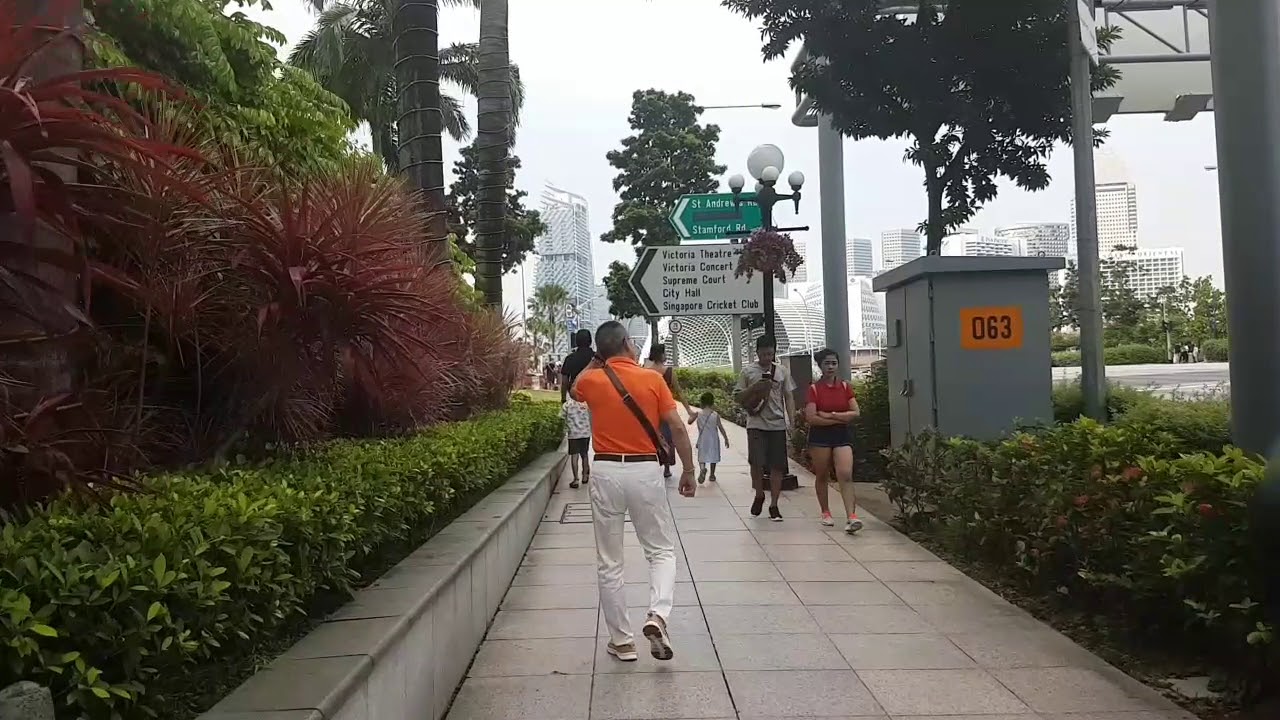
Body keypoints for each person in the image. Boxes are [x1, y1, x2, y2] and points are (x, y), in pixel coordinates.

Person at [571, 321, 696, 663]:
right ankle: (657, 614)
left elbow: (573, 389)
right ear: (627, 343)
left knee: (610, 561)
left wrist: (597, 360)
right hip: (645, 471)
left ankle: (622, 642)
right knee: (660, 551)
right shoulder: (653, 379)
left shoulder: (593, 381)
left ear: (600, 351)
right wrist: (688, 470)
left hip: (606, 470)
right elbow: (677, 428)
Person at [736, 334, 796, 521]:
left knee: (777, 466)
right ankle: (759, 494)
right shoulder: (748, 372)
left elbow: (788, 396)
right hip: (756, 424)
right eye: (763, 354)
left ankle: (774, 504)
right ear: (757, 353)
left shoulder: (782, 371)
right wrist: (755, 388)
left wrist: (791, 420)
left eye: (770, 354)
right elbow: (738, 396)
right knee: (756, 463)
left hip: (777, 424)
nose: (767, 358)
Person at [805, 348, 864, 534]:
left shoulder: (845, 387)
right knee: (822, 474)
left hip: (841, 435)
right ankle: (825, 511)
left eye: (834, 363)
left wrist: (830, 415)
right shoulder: (814, 389)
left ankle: (851, 516)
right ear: (820, 366)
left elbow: (855, 413)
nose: (830, 367)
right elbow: (812, 418)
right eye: (827, 363)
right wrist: (840, 417)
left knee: (845, 473)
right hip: (820, 436)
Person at [642, 344, 692, 480]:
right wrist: (689, 410)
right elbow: (679, 392)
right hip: (666, 410)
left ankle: (653, 464)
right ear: (661, 355)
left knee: (652, 437)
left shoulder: (645, 371)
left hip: (650, 410)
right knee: (668, 439)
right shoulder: (669, 372)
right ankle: (667, 467)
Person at [686, 391, 729, 484]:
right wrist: (726, 439)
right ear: (712, 403)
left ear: (702, 402)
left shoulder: (698, 414)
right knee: (714, 456)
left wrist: (692, 414)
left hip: (703, 439)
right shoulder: (715, 415)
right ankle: (712, 475)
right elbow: (721, 428)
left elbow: (689, 422)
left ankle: (702, 469)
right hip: (713, 439)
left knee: (702, 456)